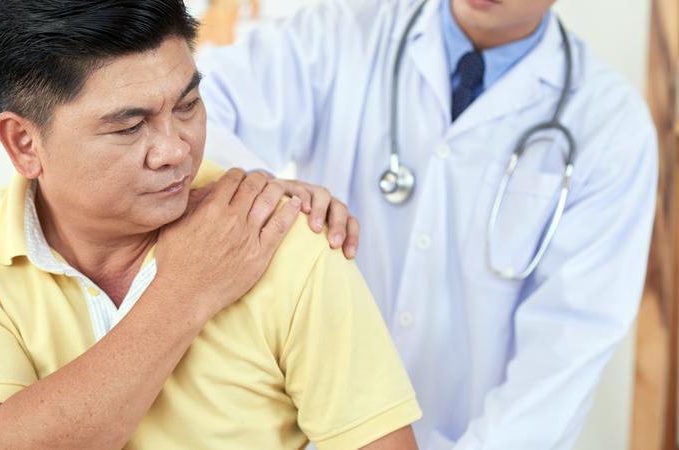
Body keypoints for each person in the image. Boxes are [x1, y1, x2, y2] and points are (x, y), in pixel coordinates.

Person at [0, 1, 422, 448]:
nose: (175, 150)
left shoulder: (280, 238)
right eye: (128, 126)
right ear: (23, 144)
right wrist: (185, 288)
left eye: (188, 104)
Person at [197, 0, 659, 448]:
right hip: (315, 430)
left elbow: (563, 353)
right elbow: (197, 111)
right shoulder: (343, 32)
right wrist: (268, 189)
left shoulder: (611, 128)